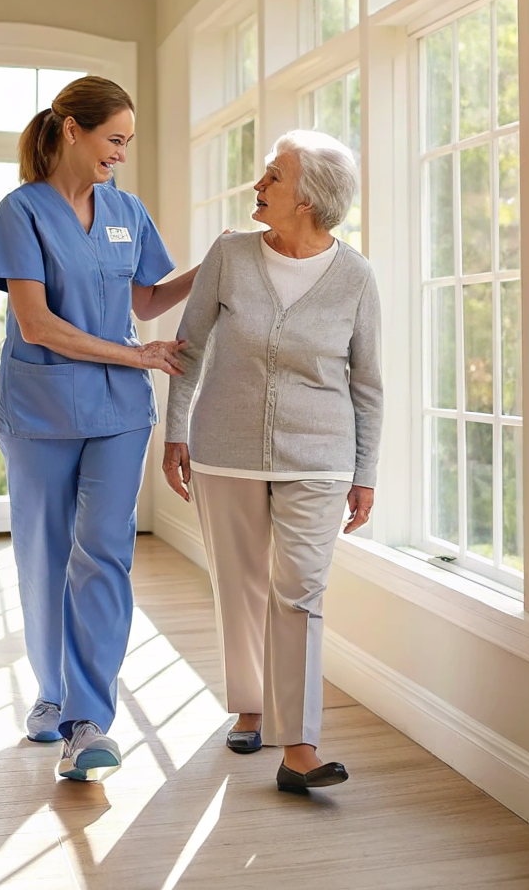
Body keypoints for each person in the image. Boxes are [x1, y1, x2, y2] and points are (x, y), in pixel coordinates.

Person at [0, 76, 193, 782]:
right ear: (72, 130)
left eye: (127, 143)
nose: (121, 155)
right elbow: (36, 324)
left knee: (104, 554)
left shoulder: (127, 211)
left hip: (118, 414)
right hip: (43, 410)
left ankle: (87, 721)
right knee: (45, 559)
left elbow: (149, 296)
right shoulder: (22, 212)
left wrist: (213, 265)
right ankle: (52, 697)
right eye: (114, 140)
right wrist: (134, 354)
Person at [163, 130, 383, 793]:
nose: (257, 188)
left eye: (272, 179)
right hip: (225, 451)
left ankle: (300, 747)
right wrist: (175, 432)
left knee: (300, 593)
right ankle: (251, 705)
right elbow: (189, 347)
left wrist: (365, 471)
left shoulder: (355, 276)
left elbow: (367, 383)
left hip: (319, 457)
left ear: (309, 199)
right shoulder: (230, 255)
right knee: (240, 586)